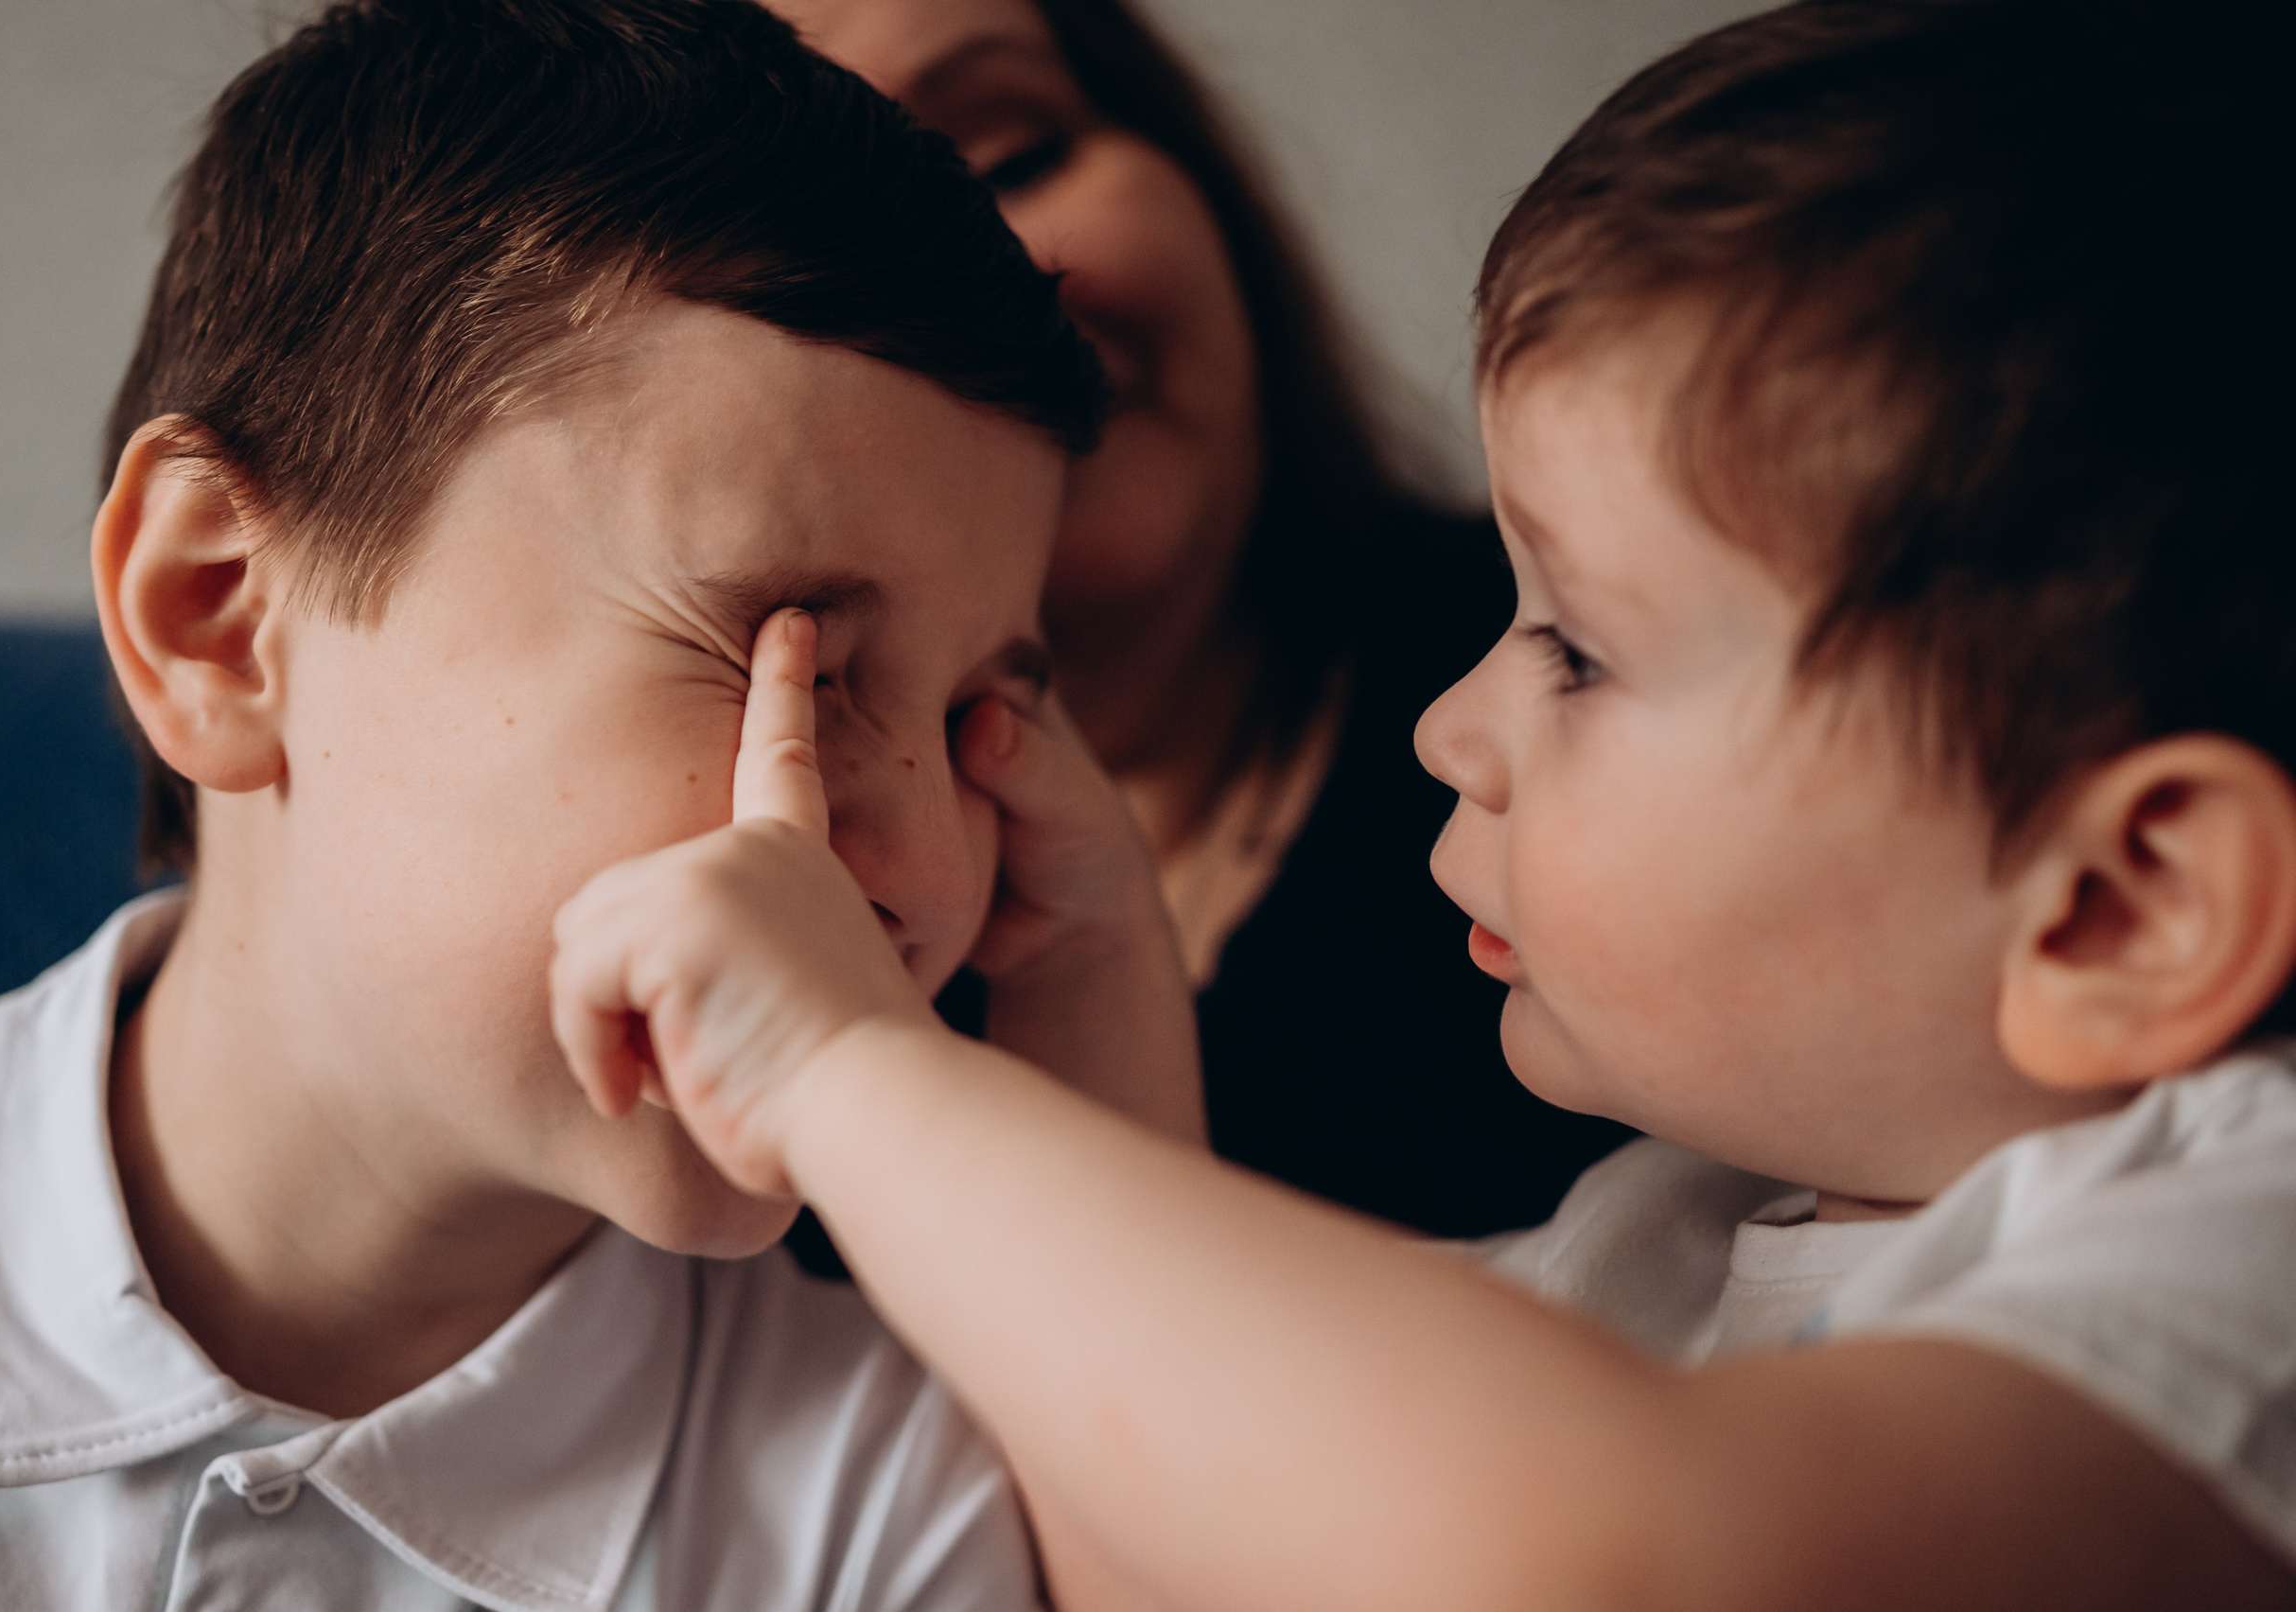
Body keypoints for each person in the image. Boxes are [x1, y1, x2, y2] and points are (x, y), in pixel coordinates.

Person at [549, 0, 2296, 1605]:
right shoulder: (1655, 1240)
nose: (1452, 729)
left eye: (1578, 652)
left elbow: (1598, 1561)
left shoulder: (2243, 1257)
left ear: (2120, 907)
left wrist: (838, 1073)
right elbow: (1175, 1544)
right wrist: (1088, 1007)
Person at [0, 1, 1194, 1606]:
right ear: (215, 615)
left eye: (984, 720)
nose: (919, 869)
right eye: (795, 661)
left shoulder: (882, 1494)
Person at [766, 0, 1630, 1241]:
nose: (996, 275)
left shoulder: (1621, 688)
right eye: (830, 245)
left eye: (1016, 156)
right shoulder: (773, 976)